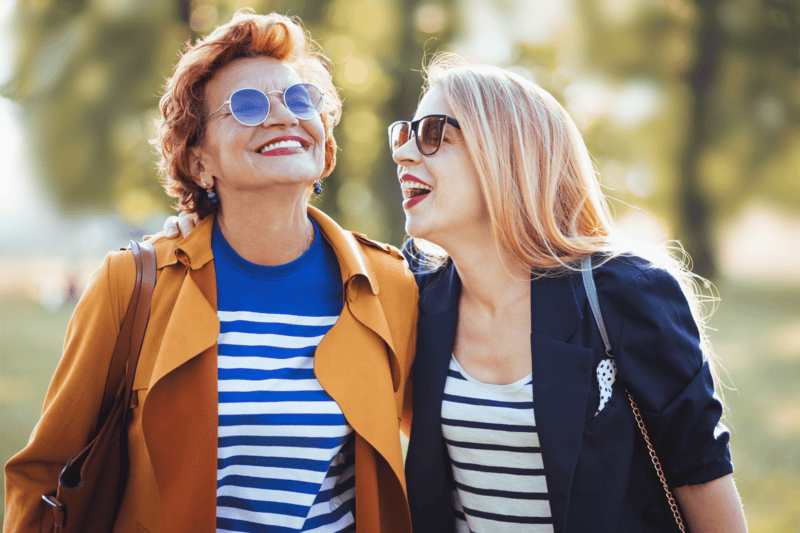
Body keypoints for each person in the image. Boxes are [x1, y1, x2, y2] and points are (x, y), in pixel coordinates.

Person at [4, 11, 417, 533]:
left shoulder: (391, 286)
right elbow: (44, 472)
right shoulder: (131, 285)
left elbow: (451, 447)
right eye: (246, 106)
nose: (283, 117)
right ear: (199, 163)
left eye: (299, 100)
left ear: (324, 140)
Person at [391, 54, 747, 533]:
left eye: (433, 134)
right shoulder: (415, 295)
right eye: (404, 134)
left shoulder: (626, 291)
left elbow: (702, 480)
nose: (404, 154)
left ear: (508, 153)